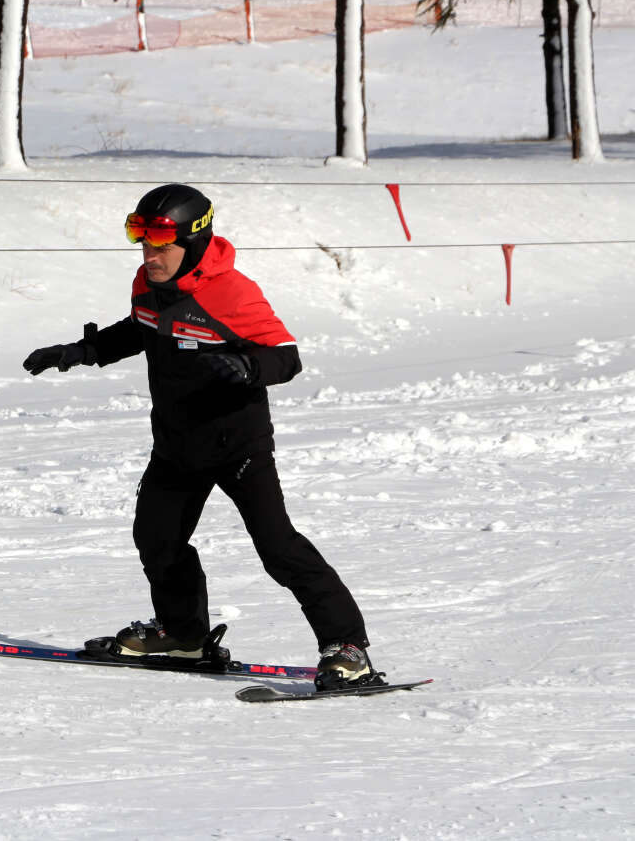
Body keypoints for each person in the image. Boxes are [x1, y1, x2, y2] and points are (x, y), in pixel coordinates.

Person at [22, 184, 374, 689]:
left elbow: (287, 356)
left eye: (162, 244)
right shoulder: (148, 283)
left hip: (238, 445)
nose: (151, 254)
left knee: (278, 546)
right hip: (176, 444)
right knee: (158, 541)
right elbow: (139, 327)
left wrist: (247, 365)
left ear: (193, 239)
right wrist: (81, 351)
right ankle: (184, 635)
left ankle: (347, 647)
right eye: (142, 242)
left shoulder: (231, 291)